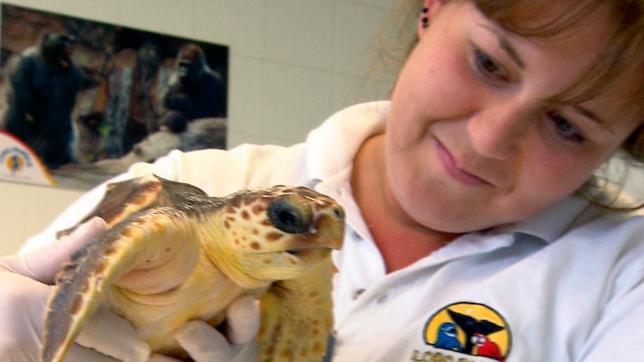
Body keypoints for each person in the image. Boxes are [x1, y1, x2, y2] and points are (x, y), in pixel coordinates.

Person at [1, 0, 643, 361]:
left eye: (567, 127)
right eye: (487, 62)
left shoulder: (622, 278)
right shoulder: (192, 181)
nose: (488, 139)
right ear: (434, 6)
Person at [2, 32, 85, 169]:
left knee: (62, 130)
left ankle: (54, 163)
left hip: (50, 116)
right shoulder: (26, 62)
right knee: (13, 116)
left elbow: (62, 113)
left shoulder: (72, 73)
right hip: (24, 109)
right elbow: (17, 105)